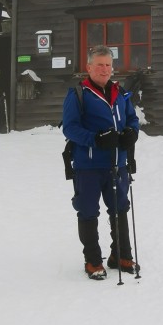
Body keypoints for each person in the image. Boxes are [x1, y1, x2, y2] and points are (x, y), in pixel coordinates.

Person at [62, 45, 140, 280]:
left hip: (118, 163)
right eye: (100, 65)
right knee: (88, 211)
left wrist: (131, 132)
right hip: (88, 166)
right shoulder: (77, 94)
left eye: (108, 65)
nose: (105, 69)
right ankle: (93, 261)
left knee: (120, 208)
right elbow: (70, 128)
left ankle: (121, 255)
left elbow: (132, 119)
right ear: (89, 67)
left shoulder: (121, 93)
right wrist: (95, 139)